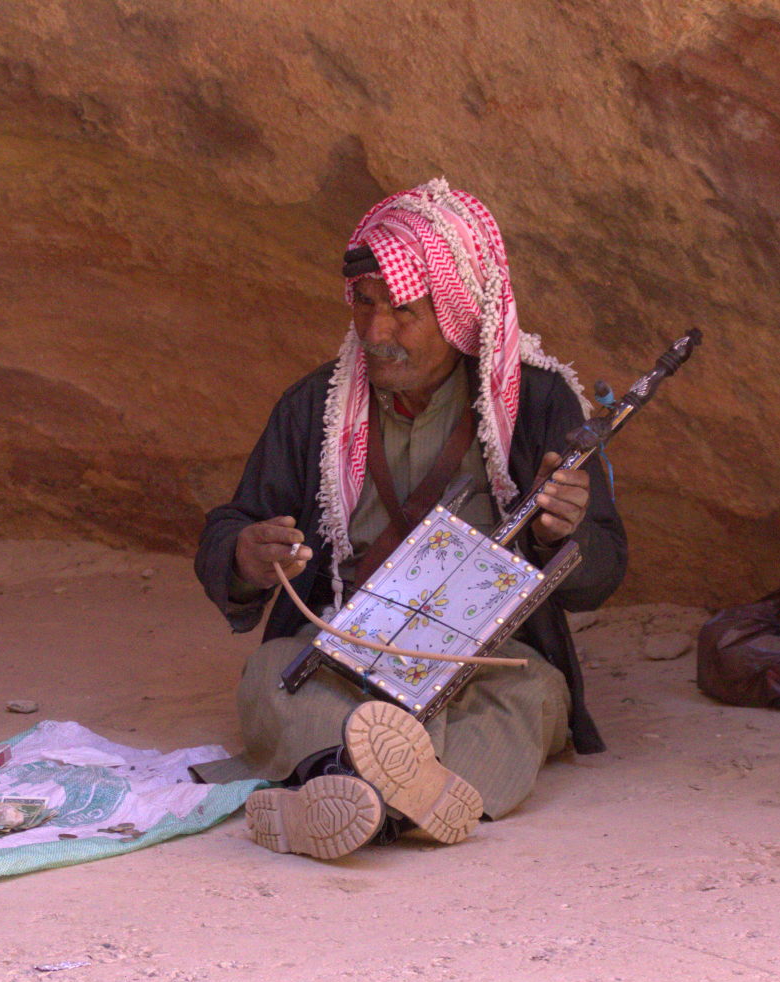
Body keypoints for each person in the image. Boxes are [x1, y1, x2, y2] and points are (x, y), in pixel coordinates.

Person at [191, 178, 626, 859]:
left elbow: (606, 565)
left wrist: (557, 534)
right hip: (342, 650)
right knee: (272, 681)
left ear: (456, 312)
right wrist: (246, 553)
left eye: (403, 311)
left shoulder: (538, 403)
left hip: (485, 659)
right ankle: (417, 801)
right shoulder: (315, 406)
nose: (375, 330)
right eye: (364, 304)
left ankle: (335, 793)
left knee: (529, 702)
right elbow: (231, 526)